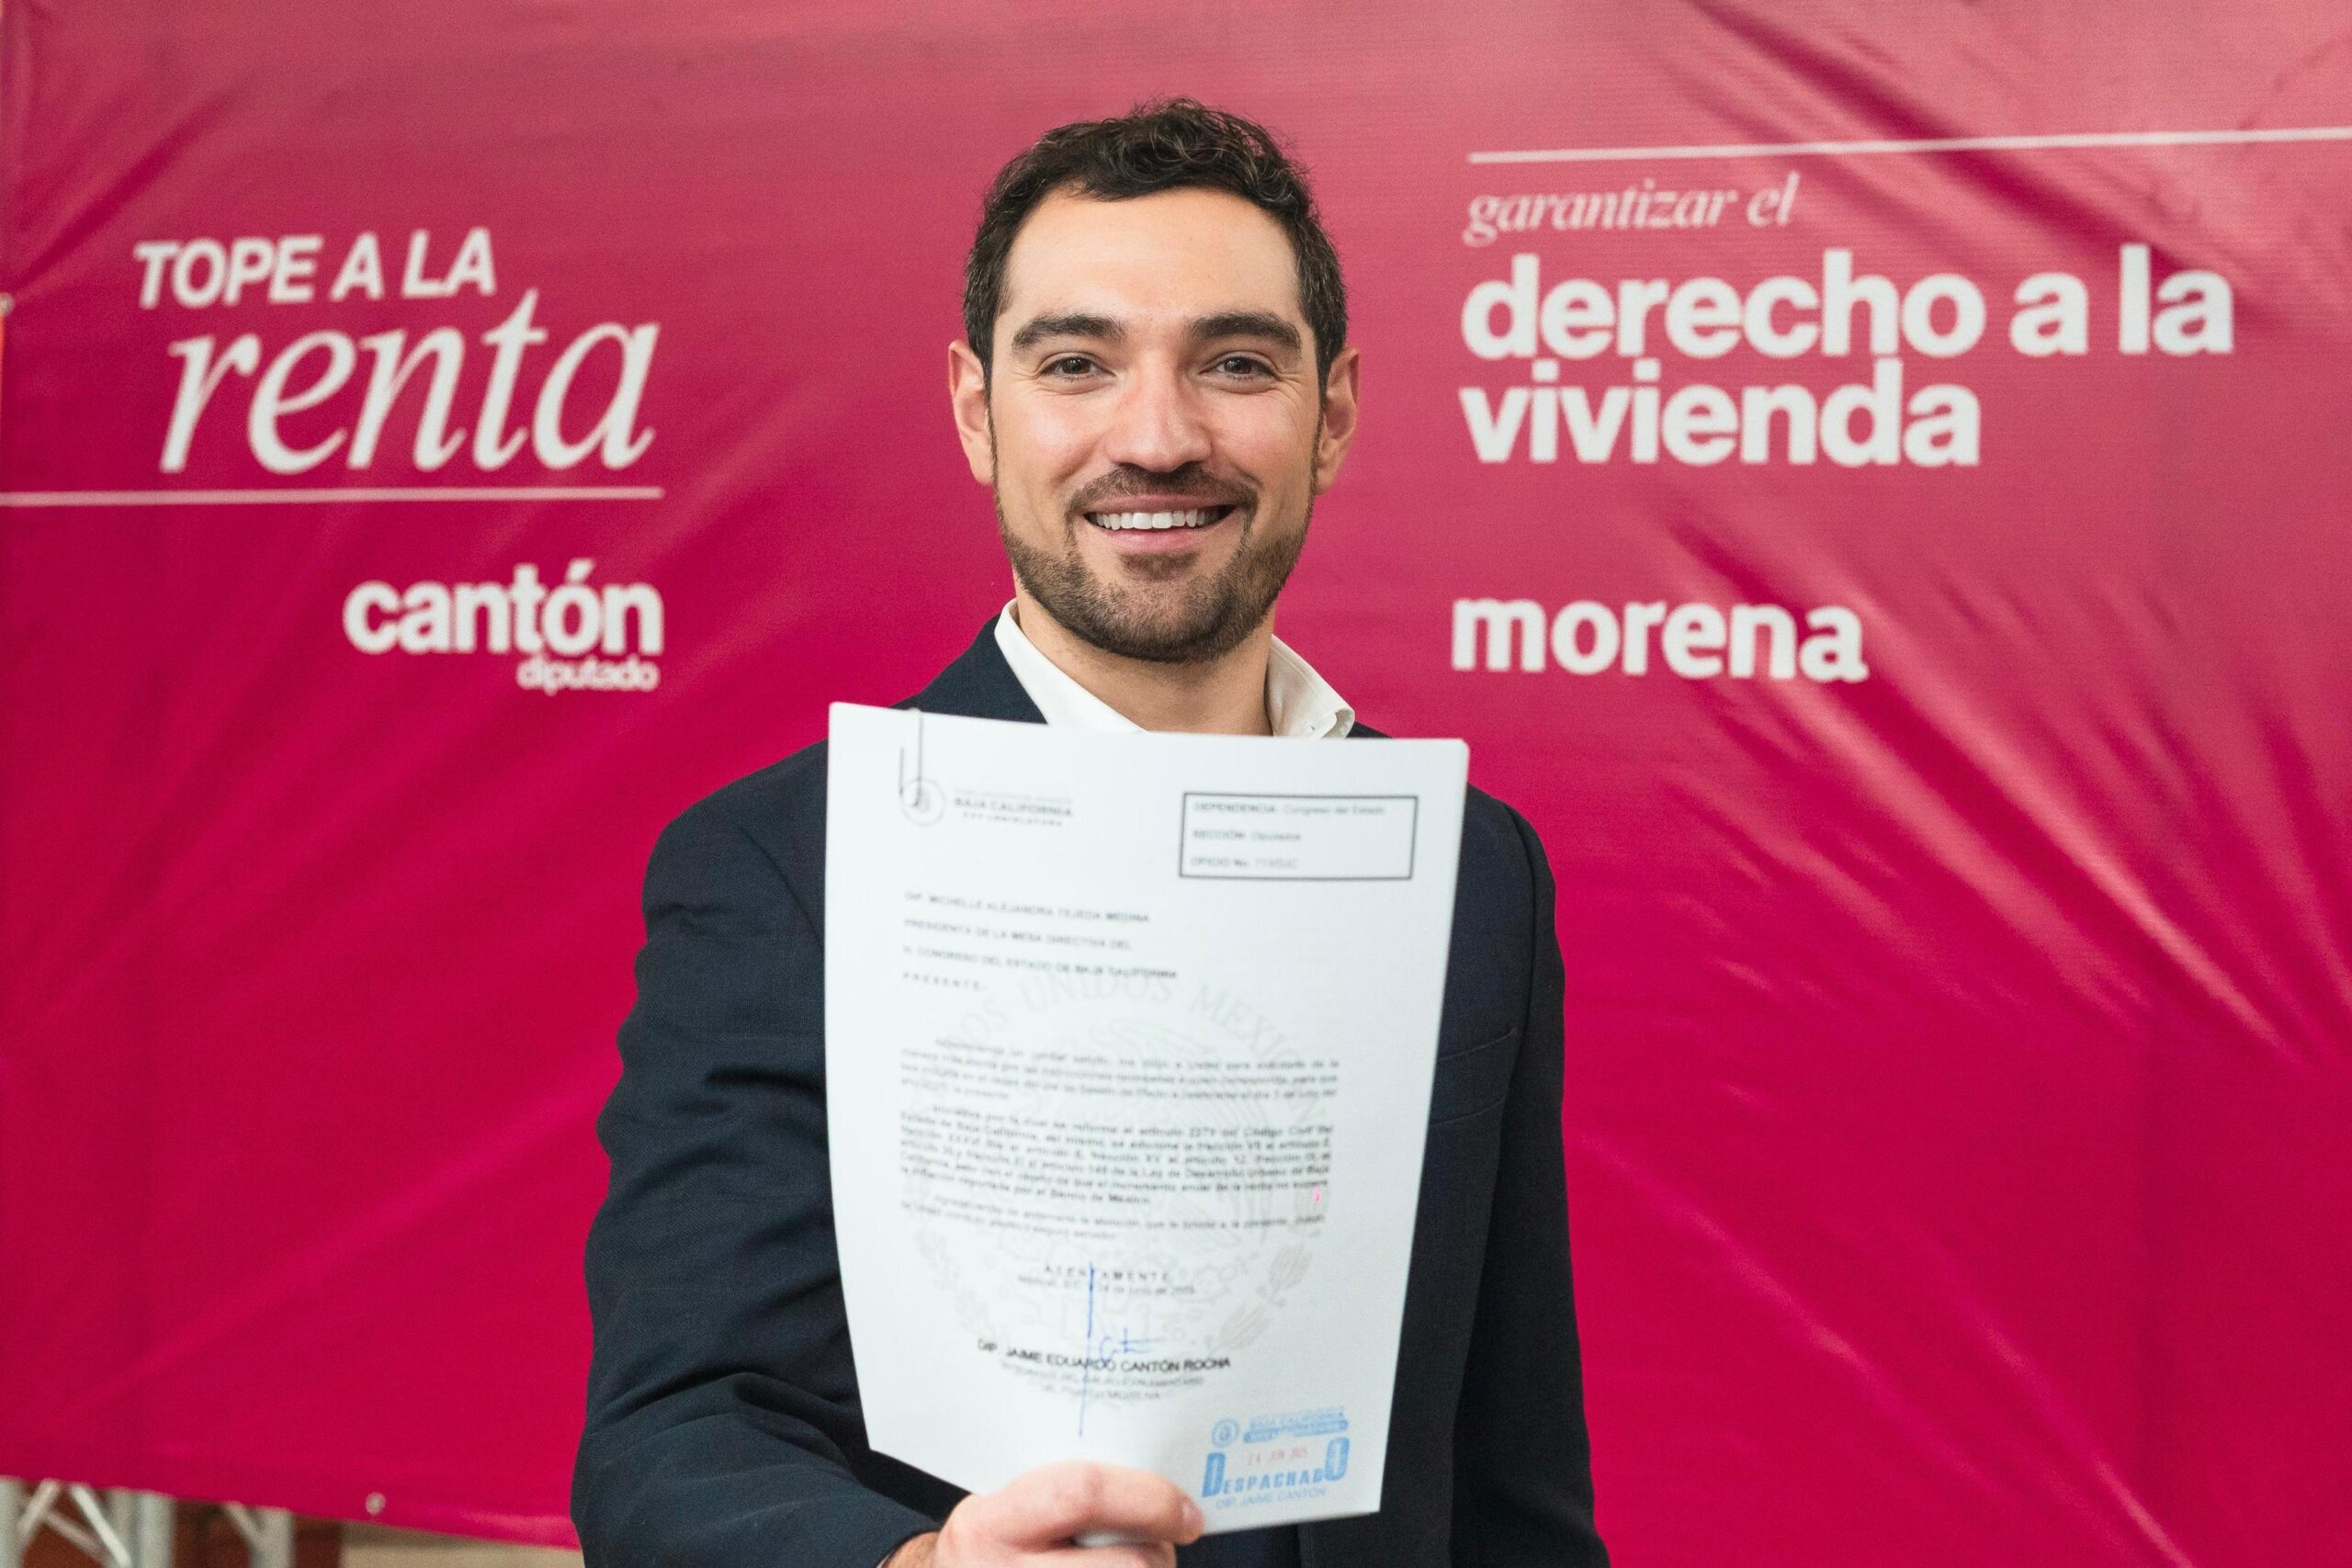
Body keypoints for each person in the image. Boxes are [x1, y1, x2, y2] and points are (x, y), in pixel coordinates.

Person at [574, 99, 1608, 1568]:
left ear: (1333, 413)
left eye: (1235, 363)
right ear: (976, 411)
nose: (1158, 438)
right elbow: (675, 1439)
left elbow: (1514, 1478)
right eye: (1077, 364)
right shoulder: (787, 869)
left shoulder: (1471, 867)